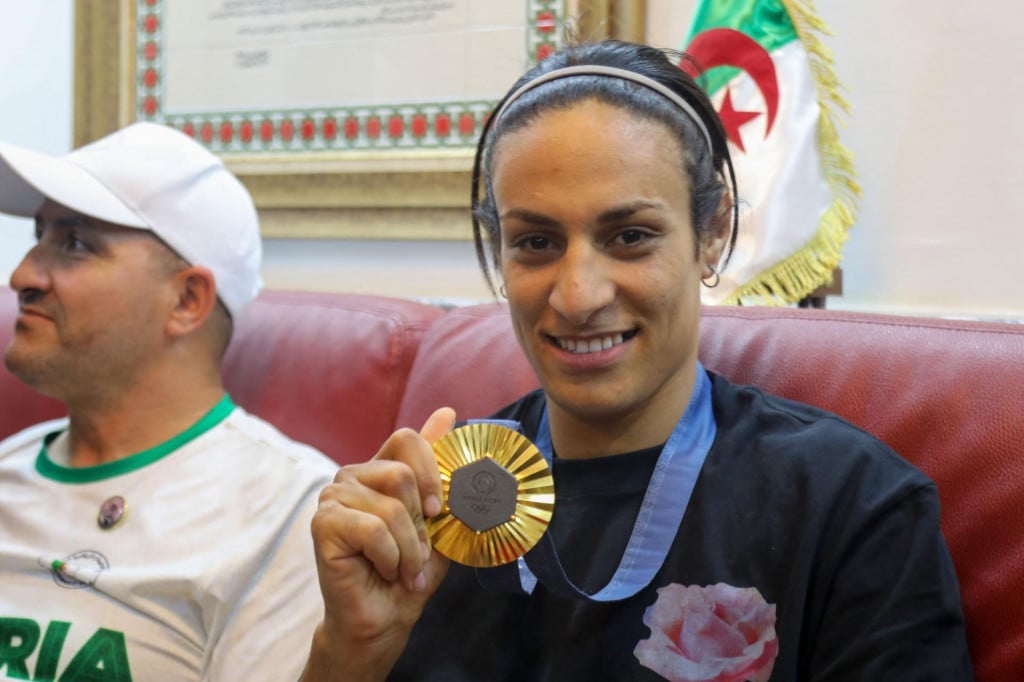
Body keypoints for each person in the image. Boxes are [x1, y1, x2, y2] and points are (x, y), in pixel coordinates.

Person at [301, 40, 973, 681]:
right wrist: (350, 650)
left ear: (711, 236)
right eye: (536, 242)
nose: (578, 295)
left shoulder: (852, 504)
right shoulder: (435, 505)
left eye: (629, 236)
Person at [0, 122, 338, 680]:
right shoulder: (9, 469)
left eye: (76, 244)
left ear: (187, 300)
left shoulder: (290, 514)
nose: (22, 275)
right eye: (40, 236)